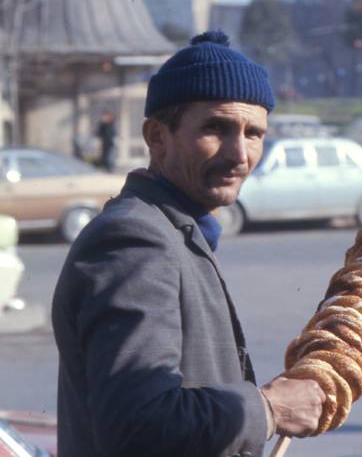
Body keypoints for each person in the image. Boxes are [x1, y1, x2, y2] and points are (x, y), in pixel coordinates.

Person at [52, 31, 325, 457]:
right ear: (157, 136)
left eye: (254, 133)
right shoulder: (135, 240)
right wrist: (269, 408)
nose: (240, 154)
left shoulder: (178, 232)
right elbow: (138, 422)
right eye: (217, 128)